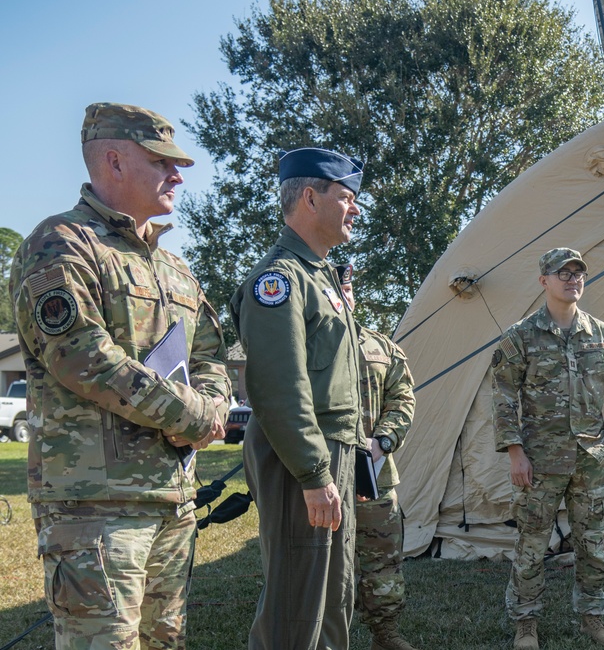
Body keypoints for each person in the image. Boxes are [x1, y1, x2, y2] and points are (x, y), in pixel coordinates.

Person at [8, 102, 231, 648]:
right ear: (114, 160)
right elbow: (84, 356)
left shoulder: (174, 267)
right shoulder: (59, 245)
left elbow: (209, 355)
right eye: (163, 162)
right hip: (94, 506)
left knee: (164, 642)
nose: (178, 174)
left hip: (171, 499)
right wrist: (191, 414)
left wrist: (214, 403)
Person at [230, 147, 364, 649]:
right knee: (296, 605)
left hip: (332, 451)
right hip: (302, 456)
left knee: (332, 594)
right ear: (310, 197)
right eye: (346, 197)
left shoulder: (319, 277)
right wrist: (313, 473)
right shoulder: (280, 280)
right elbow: (278, 388)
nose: (356, 210)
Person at [492, 248, 604, 650]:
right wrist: (515, 450)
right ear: (544, 281)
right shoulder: (520, 336)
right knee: (532, 546)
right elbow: (503, 394)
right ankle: (525, 623)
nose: (573, 279)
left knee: (592, 545)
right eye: (563, 273)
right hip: (539, 460)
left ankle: (593, 617)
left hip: (591, 460)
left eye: (578, 273)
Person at [336, 263, 420, 650]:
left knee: (383, 560)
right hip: (322, 476)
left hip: (375, 474)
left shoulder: (382, 347)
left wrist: (383, 440)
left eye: (348, 288)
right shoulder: (298, 347)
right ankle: (329, 634)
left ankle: (385, 633)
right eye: (334, 289)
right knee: (325, 564)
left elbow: (403, 398)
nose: (343, 296)